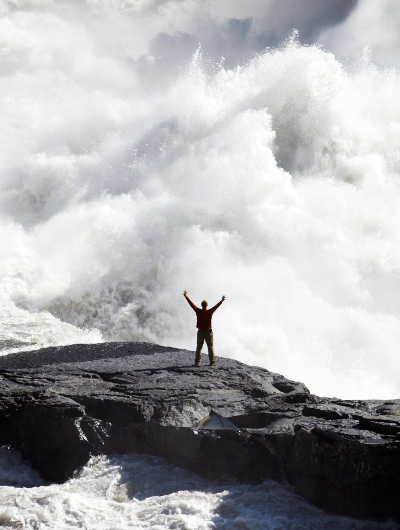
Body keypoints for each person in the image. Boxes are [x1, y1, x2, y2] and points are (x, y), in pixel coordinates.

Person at [183, 290, 225, 366]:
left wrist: (186, 296)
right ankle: (212, 362)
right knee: (210, 347)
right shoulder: (209, 312)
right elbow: (216, 306)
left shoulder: (198, 311)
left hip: (200, 332)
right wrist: (221, 301)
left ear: (201, 305)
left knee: (199, 348)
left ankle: (197, 362)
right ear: (207, 305)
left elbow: (191, 304)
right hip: (208, 332)